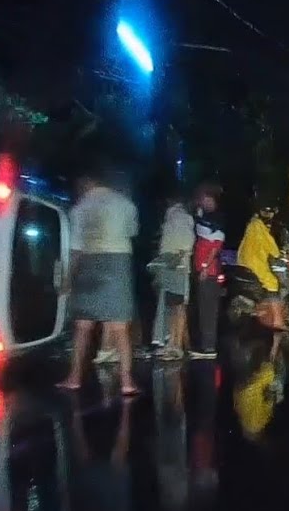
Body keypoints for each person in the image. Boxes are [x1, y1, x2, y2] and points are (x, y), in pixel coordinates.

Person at [59, 168, 140, 396]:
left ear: (85, 185)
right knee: (120, 328)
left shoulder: (79, 209)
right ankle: (126, 382)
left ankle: (74, 377)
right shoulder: (125, 204)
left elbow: (75, 249)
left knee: (83, 326)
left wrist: (68, 278)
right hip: (117, 263)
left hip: (88, 265)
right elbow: (132, 232)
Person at [150, 192, 194, 359]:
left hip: (177, 267)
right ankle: (171, 344)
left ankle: (175, 345)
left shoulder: (180, 217)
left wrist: (174, 261)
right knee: (172, 306)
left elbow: (186, 245)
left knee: (177, 306)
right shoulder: (171, 218)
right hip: (171, 267)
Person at [236, 200, 285, 333]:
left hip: (244, 263)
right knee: (273, 283)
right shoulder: (258, 226)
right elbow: (271, 247)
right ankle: (278, 321)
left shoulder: (252, 224)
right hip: (255, 264)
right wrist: (278, 253)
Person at [190, 182, 224, 359]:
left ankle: (208, 348)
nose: (200, 202)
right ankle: (206, 345)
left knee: (208, 309)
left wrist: (205, 267)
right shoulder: (205, 216)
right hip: (204, 269)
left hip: (208, 271)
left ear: (209, 198)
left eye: (202, 198)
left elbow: (215, 246)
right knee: (204, 308)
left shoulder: (216, 219)